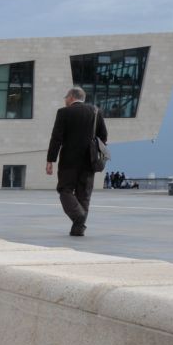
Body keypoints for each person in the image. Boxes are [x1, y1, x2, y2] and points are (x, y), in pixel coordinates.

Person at [46, 87, 107, 237]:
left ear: (72, 97)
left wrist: (50, 160)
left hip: (69, 161)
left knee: (65, 190)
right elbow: (103, 136)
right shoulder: (95, 111)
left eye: (66, 98)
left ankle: (78, 217)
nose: (65, 101)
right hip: (89, 161)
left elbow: (56, 138)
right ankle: (78, 229)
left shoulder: (63, 113)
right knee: (84, 194)